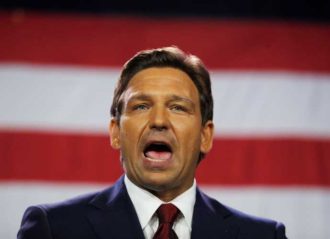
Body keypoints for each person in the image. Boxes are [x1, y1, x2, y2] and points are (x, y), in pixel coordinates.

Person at [17, 46, 287, 239]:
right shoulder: (54, 228)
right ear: (115, 132)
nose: (159, 120)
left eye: (178, 108)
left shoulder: (263, 235)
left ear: (205, 136)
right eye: (142, 106)